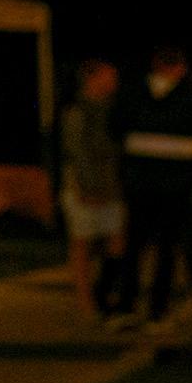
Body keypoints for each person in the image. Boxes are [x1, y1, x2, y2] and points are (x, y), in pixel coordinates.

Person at [109, 46, 192, 326]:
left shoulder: (133, 94)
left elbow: (116, 127)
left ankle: (127, 304)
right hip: (174, 185)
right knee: (165, 247)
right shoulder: (189, 97)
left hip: (139, 180)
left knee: (136, 243)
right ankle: (156, 307)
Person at [59, 58, 125, 316]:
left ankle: (104, 291)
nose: (114, 82)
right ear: (92, 78)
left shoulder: (114, 110)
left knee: (116, 240)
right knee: (82, 242)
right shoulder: (77, 112)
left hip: (111, 186)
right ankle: (85, 299)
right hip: (83, 187)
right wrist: (86, 189)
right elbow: (76, 153)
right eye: (108, 76)